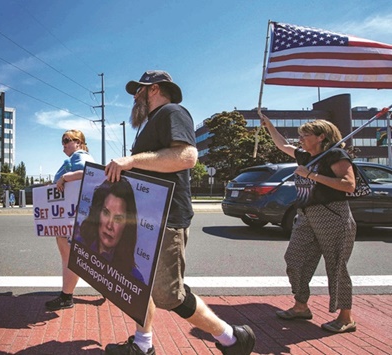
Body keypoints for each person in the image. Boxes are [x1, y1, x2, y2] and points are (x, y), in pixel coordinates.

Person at [104, 70, 255, 355]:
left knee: (168, 295)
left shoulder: (173, 112)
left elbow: (187, 156)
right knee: (140, 284)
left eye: (139, 90)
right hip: (145, 217)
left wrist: (131, 160)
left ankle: (232, 338)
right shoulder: (150, 124)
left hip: (165, 218)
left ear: (154, 89)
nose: (134, 96)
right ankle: (143, 343)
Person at [259, 113, 358, 333]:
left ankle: (346, 317)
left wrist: (312, 176)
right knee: (295, 258)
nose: (300, 138)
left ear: (321, 136)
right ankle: (301, 306)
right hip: (306, 215)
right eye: (300, 135)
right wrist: (269, 126)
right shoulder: (305, 156)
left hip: (332, 213)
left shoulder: (335, 155)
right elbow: (282, 145)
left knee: (336, 265)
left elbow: (349, 185)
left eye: (305, 135)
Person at [44, 129, 95, 311]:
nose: (64, 144)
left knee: (68, 257)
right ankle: (100, 283)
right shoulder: (80, 156)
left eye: (67, 140)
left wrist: (65, 177)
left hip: (70, 217)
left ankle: (66, 297)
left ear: (79, 142)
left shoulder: (78, 156)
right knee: (73, 256)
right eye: (62, 141)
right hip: (74, 215)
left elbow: (89, 172)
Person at [75, 178, 144, 283]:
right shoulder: (79, 246)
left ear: (127, 225)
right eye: (106, 213)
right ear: (98, 213)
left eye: (118, 219)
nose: (109, 225)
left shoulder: (134, 278)